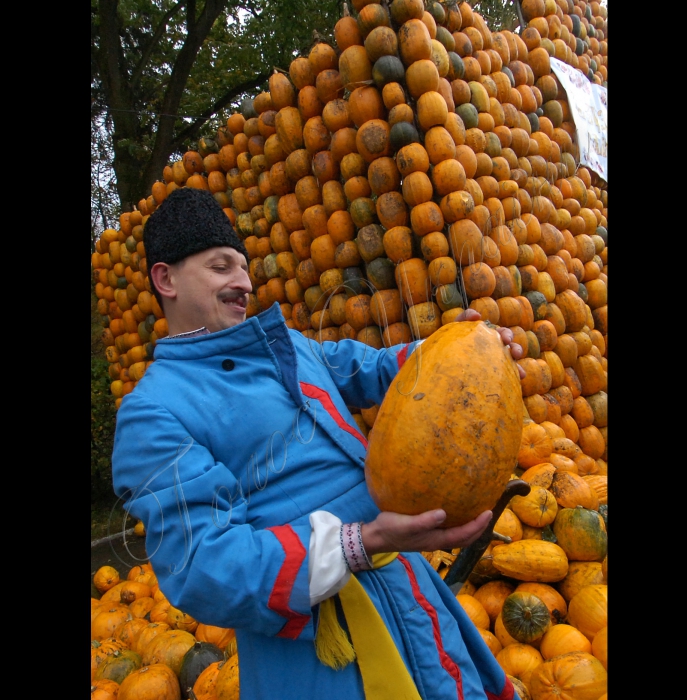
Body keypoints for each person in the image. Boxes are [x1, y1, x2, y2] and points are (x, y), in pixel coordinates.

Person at [112, 187, 525, 700]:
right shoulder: (153, 412)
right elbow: (203, 566)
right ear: (165, 278)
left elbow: (368, 367)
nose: (243, 283)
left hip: (408, 593)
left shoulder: (289, 347)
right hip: (318, 650)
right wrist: (359, 543)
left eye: (243, 268)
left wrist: (454, 349)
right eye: (221, 268)